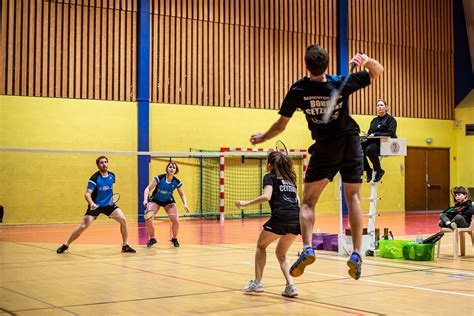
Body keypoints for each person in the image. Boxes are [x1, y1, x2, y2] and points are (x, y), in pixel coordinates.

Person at [250, 44, 383, 280]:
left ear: (306, 65)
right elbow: (377, 71)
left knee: (308, 202)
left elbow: (281, 125)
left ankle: (308, 247)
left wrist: (263, 137)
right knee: (353, 197)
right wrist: (365, 59)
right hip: (351, 143)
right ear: (327, 64)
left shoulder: (299, 89)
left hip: (325, 148)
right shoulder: (341, 82)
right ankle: (355, 253)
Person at [236, 151, 301, 297]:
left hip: (281, 217)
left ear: (270, 164)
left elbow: (266, 196)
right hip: (296, 218)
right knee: (281, 253)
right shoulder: (290, 179)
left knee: (261, 246)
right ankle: (291, 286)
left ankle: (258, 283)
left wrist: (245, 203)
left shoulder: (270, 177)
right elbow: (297, 200)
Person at [56, 156, 136, 254]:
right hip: (96, 206)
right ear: (98, 165)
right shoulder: (94, 178)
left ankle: (125, 245)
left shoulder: (112, 176)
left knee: (123, 220)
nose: (104, 164)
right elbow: (87, 194)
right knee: (83, 226)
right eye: (102, 163)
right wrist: (91, 203)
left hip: (109, 205)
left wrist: (109, 201)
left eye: (106, 162)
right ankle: (66, 244)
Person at [143, 161, 189, 248]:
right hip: (156, 200)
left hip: (168, 202)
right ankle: (152, 238)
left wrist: (185, 204)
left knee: (175, 220)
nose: (172, 169)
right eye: (170, 167)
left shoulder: (176, 182)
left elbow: (182, 194)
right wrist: (145, 200)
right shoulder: (159, 178)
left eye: (174, 168)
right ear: (167, 169)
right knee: (148, 218)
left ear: (176, 171)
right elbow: (147, 189)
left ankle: (174, 238)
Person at [361, 99, 397, 182]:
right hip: (372, 141)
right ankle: (368, 170)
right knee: (358, 147)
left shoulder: (391, 120)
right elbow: (370, 132)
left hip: (383, 143)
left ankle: (379, 170)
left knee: (369, 149)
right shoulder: (374, 120)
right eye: (378, 105)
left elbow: (391, 133)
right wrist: (367, 134)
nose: (379, 107)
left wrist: (376, 134)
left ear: (386, 107)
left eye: (381, 105)